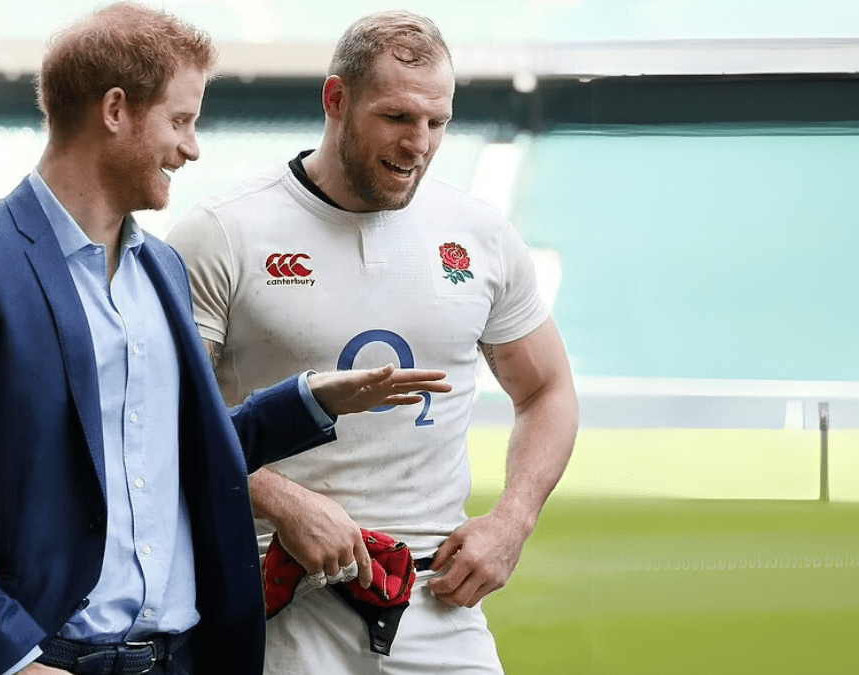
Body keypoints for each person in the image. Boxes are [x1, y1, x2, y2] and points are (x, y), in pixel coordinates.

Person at [0, 4, 450, 675]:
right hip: (44, 661)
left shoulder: (163, 268)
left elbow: (173, 449)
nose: (193, 147)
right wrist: (13, 656)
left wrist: (308, 401)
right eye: (181, 120)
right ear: (115, 110)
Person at [166, 10, 578, 674]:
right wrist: (277, 497)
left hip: (440, 605)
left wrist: (513, 520)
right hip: (279, 603)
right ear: (337, 99)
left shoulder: (481, 235)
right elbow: (162, 416)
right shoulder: (223, 233)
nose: (419, 143)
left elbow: (547, 389)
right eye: (396, 118)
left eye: (436, 122)